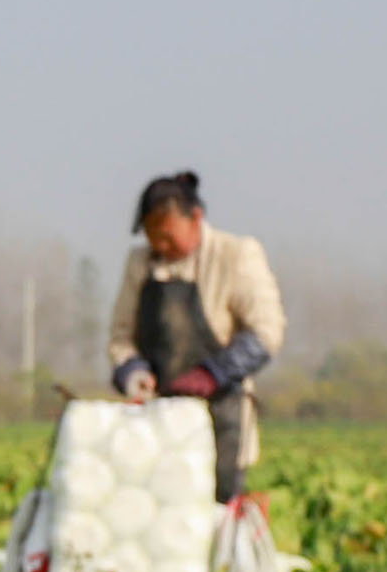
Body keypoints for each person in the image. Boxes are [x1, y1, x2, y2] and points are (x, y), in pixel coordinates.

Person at [107, 175, 286, 500]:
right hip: (156, 418)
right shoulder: (139, 263)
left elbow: (267, 332)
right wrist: (134, 373)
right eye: (152, 238)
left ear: (196, 219)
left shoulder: (235, 255)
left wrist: (212, 374)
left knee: (216, 518)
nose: (160, 247)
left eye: (168, 238)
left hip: (222, 418)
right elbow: (121, 337)